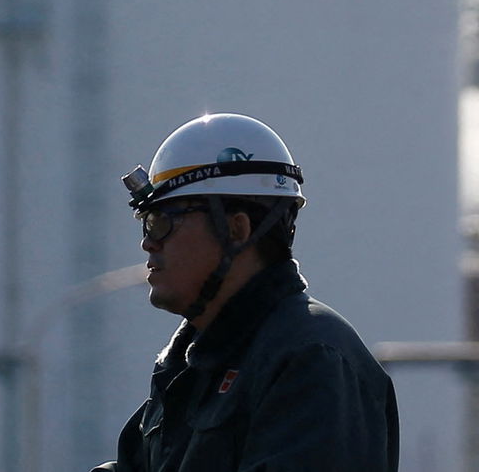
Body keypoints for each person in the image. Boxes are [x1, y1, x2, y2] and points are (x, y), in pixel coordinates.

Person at [92, 112, 398, 471]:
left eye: (161, 222)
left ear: (236, 229)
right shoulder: (189, 366)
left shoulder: (312, 358)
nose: (147, 243)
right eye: (146, 223)